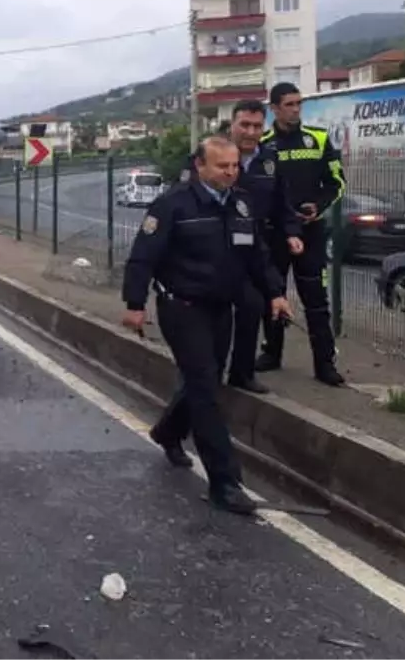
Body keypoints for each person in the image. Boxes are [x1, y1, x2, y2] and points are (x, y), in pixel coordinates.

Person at [122, 136, 292, 515]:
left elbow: (258, 257)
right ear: (201, 166)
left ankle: (167, 432)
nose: (231, 172)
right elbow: (142, 257)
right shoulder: (173, 205)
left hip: (220, 308)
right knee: (205, 390)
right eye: (222, 166)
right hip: (181, 307)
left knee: (205, 382)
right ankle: (225, 483)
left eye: (234, 166)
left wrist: (275, 293)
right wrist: (134, 304)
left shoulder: (241, 204)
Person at [182, 100, 304, 394]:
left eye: (257, 126)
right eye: (244, 125)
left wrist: (292, 232)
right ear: (232, 125)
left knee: (253, 305)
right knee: (213, 311)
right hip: (216, 249)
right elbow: (184, 199)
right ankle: (205, 367)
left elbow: (283, 204)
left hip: (256, 247)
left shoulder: (271, 161)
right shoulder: (207, 157)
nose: (251, 132)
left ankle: (242, 372)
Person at [257, 83, 347, 387]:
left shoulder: (318, 139)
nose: (295, 109)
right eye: (289, 104)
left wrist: (317, 206)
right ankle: (271, 353)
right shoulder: (263, 143)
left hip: (311, 234)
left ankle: (325, 365)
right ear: (274, 109)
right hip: (274, 235)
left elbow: (336, 182)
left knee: (316, 301)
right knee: (272, 296)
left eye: (299, 103)